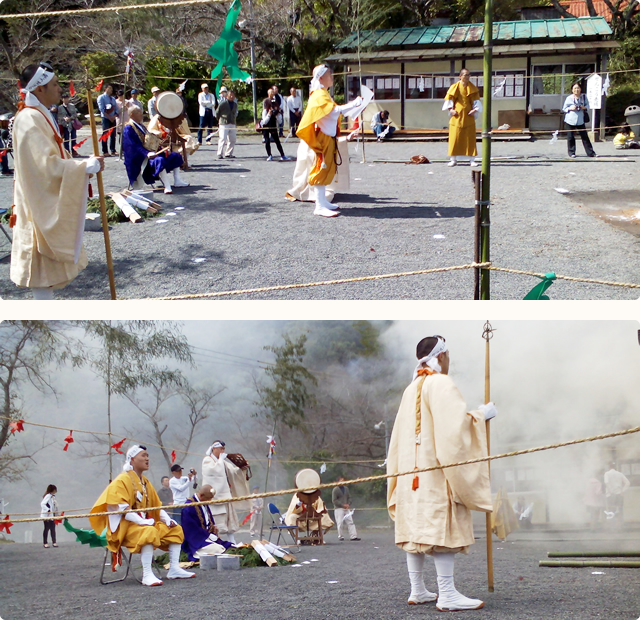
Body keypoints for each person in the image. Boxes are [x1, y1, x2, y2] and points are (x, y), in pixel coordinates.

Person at [387, 335, 496, 611]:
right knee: (442, 531)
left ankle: (418, 589)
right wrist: (481, 416)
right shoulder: (441, 383)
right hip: (435, 473)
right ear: (442, 356)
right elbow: (454, 433)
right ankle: (446, 594)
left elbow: (398, 439)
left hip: (410, 475)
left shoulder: (409, 389)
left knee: (416, 530)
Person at [11, 63, 104, 300]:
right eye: (54, 84)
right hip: (36, 203)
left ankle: (46, 316)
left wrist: (82, 167)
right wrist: (82, 167)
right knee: (40, 274)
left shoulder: (39, 114)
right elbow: (44, 166)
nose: (59, 88)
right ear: (39, 89)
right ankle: (44, 320)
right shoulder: (29, 119)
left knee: (46, 275)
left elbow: (57, 156)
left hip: (39, 199)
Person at [89, 445, 195, 586]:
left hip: (144, 524)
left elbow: (156, 506)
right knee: (149, 530)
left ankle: (174, 569)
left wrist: (168, 520)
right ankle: (147, 574)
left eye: (147, 456)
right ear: (132, 459)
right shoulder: (121, 481)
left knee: (176, 529)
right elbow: (122, 509)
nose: (147, 458)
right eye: (143, 455)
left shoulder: (145, 482)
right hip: (126, 528)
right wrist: (141, 522)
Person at [296, 64, 364, 217]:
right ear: (321, 77)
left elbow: (333, 113)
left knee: (327, 169)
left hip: (329, 138)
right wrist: (354, 104)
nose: (332, 77)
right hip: (324, 138)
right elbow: (333, 113)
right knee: (322, 168)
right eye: (329, 75)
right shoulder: (319, 94)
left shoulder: (322, 94)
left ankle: (323, 202)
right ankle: (319, 206)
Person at [122, 104, 188, 194]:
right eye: (138, 112)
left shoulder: (141, 126)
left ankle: (177, 180)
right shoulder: (128, 128)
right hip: (142, 158)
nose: (141, 114)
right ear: (131, 115)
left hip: (152, 153)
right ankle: (167, 185)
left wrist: (160, 147)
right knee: (159, 160)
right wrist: (146, 153)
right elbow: (132, 146)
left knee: (175, 155)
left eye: (141, 111)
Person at [201, 440, 251, 544]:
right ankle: (214, 542)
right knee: (216, 522)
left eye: (224, 449)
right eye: (221, 448)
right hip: (214, 497)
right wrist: (220, 461)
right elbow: (214, 472)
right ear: (214, 448)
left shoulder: (222, 462)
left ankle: (232, 541)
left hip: (226, 495)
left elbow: (233, 472)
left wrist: (241, 469)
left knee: (230, 521)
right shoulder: (207, 461)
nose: (223, 451)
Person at [181, 484, 235, 561]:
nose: (209, 501)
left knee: (229, 545)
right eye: (208, 499)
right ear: (201, 495)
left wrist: (213, 527)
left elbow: (207, 519)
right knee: (217, 549)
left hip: (207, 537)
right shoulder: (189, 507)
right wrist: (207, 535)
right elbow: (191, 529)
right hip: (197, 541)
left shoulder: (203, 502)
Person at [443, 68, 481, 167]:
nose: (467, 76)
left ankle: (472, 159)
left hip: (468, 115)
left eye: (468, 75)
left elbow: (476, 100)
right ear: (460, 76)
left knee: (470, 138)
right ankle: (453, 159)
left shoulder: (472, 87)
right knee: (455, 137)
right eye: (465, 75)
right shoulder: (454, 87)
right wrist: (451, 109)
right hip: (457, 115)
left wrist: (475, 109)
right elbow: (449, 100)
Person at [562, 82, 596, 159]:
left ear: (580, 89)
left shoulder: (584, 97)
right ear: (572, 90)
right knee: (570, 137)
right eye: (575, 88)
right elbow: (564, 108)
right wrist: (571, 108)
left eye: (578, 88)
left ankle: (590, 153)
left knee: (585, 137)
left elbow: (588, 106)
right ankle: (571, 152)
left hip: (580, 120)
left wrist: (583, 107)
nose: (576, 90)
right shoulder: (569, 98)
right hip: (570, 120)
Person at [332, 476, 360, 541]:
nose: (343, 482)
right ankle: (340, 536)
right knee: (340, 523)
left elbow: (349, 497)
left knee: (350, 521)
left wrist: (348, 504)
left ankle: (353, 536)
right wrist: (342, 505)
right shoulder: (335, 489)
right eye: (341, 480)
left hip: (346, 508)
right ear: (338, 482)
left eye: (343, 480)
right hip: (339, 508)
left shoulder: (346, 488)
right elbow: (334, 500)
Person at [216, 89, 238, 159]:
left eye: (233, 95)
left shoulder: (235, 104)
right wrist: (220, 120)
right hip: (224, 123)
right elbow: (217, 113)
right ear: (227, 96)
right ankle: (219, 153)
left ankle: (228, 153)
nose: (231, 96)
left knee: (232, 139)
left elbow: (235, 112)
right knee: (222, 138)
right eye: (230, 95)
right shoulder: (222, 104)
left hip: (232, 122)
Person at [97, 83, 118, 156]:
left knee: (113, 135)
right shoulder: (101, 97)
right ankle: (105, 151)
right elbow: (102, 109)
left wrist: (114, 116)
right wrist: (109, 117)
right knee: (105, 134)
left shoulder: (112, 98)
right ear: (105, 89)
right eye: (109, 88)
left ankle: (113, 150)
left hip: (113, 118)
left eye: (111, 89)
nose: (111, 90)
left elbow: (116, 108)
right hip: (106, 118)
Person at [41, 484, 59, 548]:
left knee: (53, 528)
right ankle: (45, 542)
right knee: (46, 528)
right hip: (47, 515)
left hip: (52, 515)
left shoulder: (53, 497)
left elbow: (54, 506)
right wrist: (47, 510)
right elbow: (42, 504)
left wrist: (56, 514)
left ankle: (54, 542)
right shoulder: (48, 496)